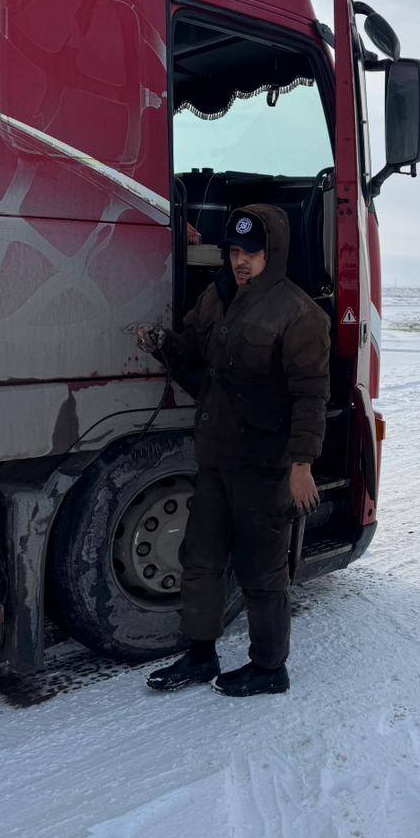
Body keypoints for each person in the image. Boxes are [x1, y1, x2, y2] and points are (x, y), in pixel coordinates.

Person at [138, 204, 330, 698]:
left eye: (251, 252)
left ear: (275, 253)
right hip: (217, 457)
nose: (240, 261)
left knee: (261, 572)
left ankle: (270, 667)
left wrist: (301, 465)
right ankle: (200, 654)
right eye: (234, 251)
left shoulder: (299, 314)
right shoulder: (218, 297)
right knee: (199, 558)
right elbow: (196, 358)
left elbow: (311, 397)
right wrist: (164, 344)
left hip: (265, 466)